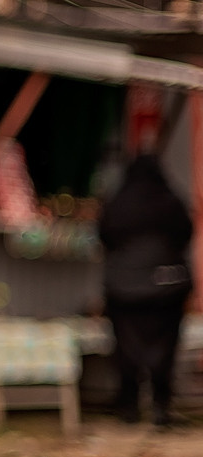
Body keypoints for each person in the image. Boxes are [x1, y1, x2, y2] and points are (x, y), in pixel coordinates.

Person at [99, 153, 193, 428]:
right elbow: (185, 234)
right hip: (167, 286)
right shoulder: (170, 201)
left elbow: (104, 236)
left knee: (126, 347)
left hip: (123, 287)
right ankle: (160, 408)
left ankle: (128, 406)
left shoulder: (118, 203)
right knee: (165, 347)